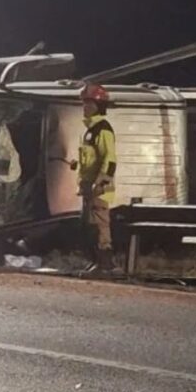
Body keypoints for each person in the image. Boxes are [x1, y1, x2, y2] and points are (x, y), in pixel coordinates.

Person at [75, 83, 118, 273]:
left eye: (88, 104)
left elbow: (110, 160)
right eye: (84, 103)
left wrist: (100, 183)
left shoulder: (102, 129)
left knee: (100, 226)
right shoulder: (92, 130)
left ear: (98, 106)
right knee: (91, 226)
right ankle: (97, 262)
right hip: (90, 187)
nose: (84, 107)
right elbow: (92, 159)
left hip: (99, 189)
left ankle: (105, 263)